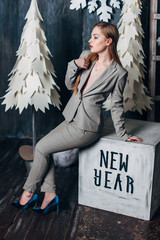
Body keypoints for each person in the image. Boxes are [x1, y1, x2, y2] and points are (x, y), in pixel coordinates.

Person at [11, 21, 142, 214]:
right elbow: (68, 84)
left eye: (95, 37)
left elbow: (116, 106)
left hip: (87, 127)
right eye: (90, 36)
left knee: (41, 148)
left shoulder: (119, 73)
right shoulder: (85, 56)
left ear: (108, 41)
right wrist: (74, 65)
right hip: (71, 117)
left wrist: (123, 134)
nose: (90, 40)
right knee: (45, 150)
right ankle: (49, 196)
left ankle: (28, 194)